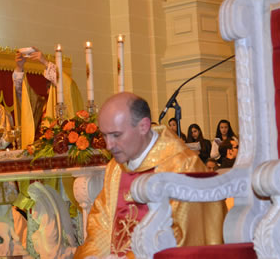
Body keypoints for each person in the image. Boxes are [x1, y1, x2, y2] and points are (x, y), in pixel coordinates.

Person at [74, 92, 226, 258]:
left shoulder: (182, 166)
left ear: (143, 126)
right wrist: (93, 255)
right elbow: (100, 224)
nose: (109, 145)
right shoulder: (116, 168)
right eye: (104, 135)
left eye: (116, 135)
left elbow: (184, 236)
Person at [12, 47, 83, 147]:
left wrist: (44, 62)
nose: (49, 90)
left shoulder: (67, 105)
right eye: (48, 87)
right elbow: (22, 95)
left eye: (52, 86)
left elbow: (67, 84)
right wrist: (19, 68)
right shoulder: (40, 105)